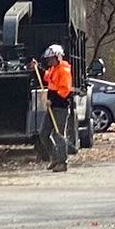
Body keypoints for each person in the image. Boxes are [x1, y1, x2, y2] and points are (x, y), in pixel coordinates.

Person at [31, 44, 74, 173]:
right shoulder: (53, 69)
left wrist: (53, 99)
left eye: (51, 59)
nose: (49, 61)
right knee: (44, 133)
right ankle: (54, 158)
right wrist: (36, 68)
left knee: (58, 135)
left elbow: (65, 90)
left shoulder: (64, 70)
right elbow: (45, 77)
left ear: (58, 57)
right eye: (48, 59)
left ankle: (62, 162)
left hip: (60, 107)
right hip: (52, 106)